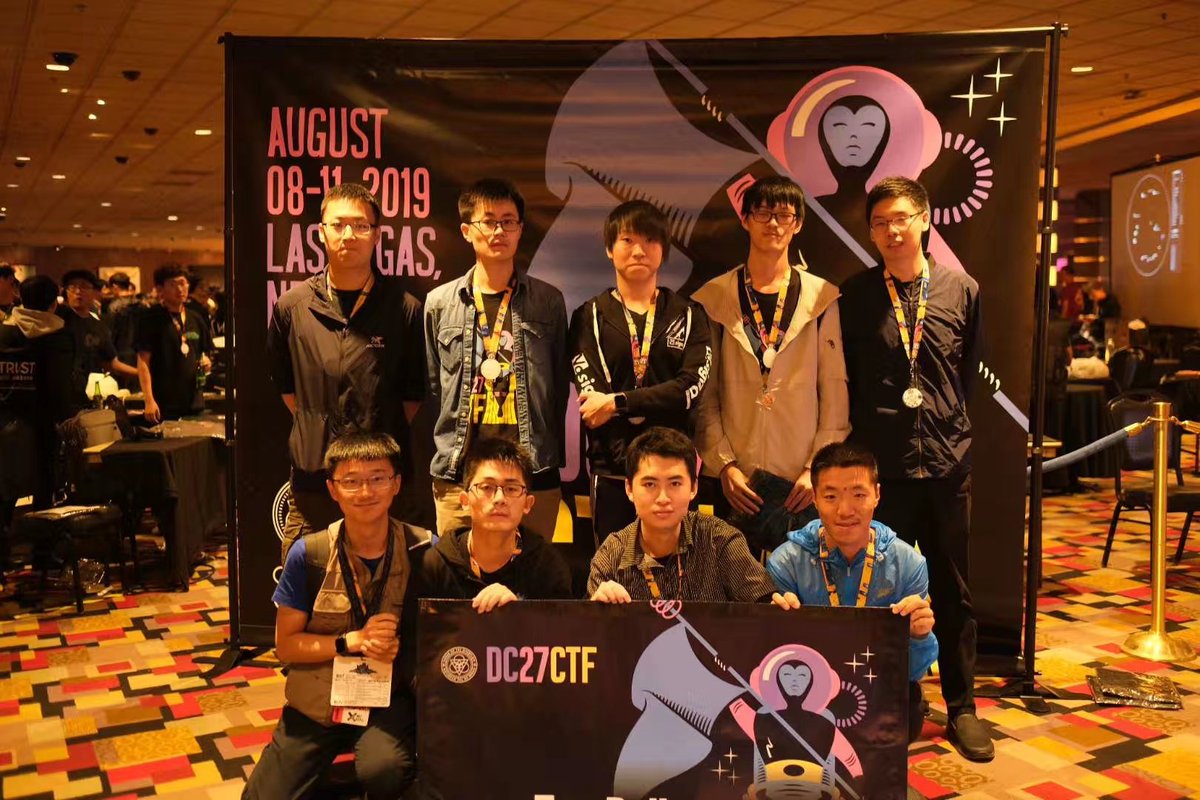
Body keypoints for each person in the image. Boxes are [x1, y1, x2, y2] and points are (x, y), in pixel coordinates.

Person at [838, 176, 990, 761]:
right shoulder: (855, 296)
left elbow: (968, 373)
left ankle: (963, 705)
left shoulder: (961, 289)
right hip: (885, 471)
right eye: (879, 223)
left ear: (925, 220)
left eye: (901, 218)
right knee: (882, 588)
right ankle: (896, 697)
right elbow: (849, 380)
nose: (891, 230)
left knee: (952, 591)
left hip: (947, 464)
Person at [243, 433, 430, 800]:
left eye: (378, 478)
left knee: (385, 770)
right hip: (318, 700)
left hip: (388, 701)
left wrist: (401, 646)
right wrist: (349, 642)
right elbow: (286, 647)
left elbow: (444, 634)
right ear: (332, 489)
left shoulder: (423, 549)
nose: (366, 491)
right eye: (351, 481)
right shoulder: (308, 554)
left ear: (396, 484)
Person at [267, 182, 426, 557]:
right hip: (314, 479)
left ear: (377, 235)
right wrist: (321, 424)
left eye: (361, 225)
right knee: (304, 582)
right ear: (321, 232)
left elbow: (413, 395)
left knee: (388, 583)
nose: (349, 234)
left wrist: (370, 429)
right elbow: (286, 389)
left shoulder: (404, 308)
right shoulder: (292, 307)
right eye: (338, 225)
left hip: (381, 481)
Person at [694, 175, 850, 557]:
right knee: (735, 584)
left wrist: (816, 468)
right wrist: (724, 465)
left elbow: (834, 390)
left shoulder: (820, 298)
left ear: (798, 224)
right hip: (737, 480)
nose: (774, 224)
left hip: (800, 481)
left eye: (784, 215)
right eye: (763, 213)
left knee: (799, 584)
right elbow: (705, 393)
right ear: (745, 219)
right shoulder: (716, 297)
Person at [425, 178, 568, 540]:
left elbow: (558, 387)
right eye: (488, 221)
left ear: (520, 229)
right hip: (459, 472)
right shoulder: (439, 303)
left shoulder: (548, 302)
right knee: (460, 570)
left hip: (533, 473)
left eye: (508, 221)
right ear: (466, 231)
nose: (499, 231)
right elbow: (433, 387)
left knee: (531, 571)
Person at [766, 441, 937, 743]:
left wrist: (920, 635)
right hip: (807, 687)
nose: (845, 511)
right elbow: (773, 661)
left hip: (878, 682)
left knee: (909, 708)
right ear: (814, 499)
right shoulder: (786, 562)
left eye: (858, 495)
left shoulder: (908, 563)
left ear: (877, 495)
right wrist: (775, 624)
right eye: (831, 496)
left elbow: (913, 672)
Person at [569, 200, 713, 541]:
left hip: (673, 473)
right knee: (614, 569)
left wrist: (618, 403)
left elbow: (687, 390)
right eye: (628, 240)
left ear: (663, 249)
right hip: (613, 471)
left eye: (650, 240)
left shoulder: (689, 314)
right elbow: (593, 405)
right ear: (610, 248)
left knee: (679, 568)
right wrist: (614, 408)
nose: (639, 250)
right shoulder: (588, 316)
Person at [588, 426, 799, 607]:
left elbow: (764, 605)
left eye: (675, 484)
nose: (663, 498)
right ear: (629, 489)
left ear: (693, 488)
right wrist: (597, 612)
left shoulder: (718, 540)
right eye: (650, 484)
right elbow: (587, 635)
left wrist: (778, 607)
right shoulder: (611, 556)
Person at [422, 438, 573, 609]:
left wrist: (517, 612)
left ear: (527, 504)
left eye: (511, 489)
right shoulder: (435, 564)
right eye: (487, 487)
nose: (499, 499)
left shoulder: (547, 567)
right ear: (465, 501)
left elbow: (562, 626)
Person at [0, 276, 78, 561]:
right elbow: (59, 387)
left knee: (4, 489)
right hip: (42, 426)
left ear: (21, 298)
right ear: (53, 303)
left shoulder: (3, 333)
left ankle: (3, 554)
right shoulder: (58, 337)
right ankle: (43, 552)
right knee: (45, 488)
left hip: (4, 422)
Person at [136, 264, 213, 423]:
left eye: (183, 283)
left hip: (194, 402)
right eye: (172, 284)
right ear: (160, 289)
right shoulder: (150, 318)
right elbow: (143, 362)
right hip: (163, 403)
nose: (179, 289)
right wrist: (149, 400)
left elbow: (204, 353)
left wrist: (206, 362)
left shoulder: (196, 318)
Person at [59, 269, 139, 399]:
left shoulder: (98, 324)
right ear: (65, 292)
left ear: (94, 292)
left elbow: (110, 362)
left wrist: (141, 373)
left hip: (89, 393)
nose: (78, 291)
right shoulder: (58, 320)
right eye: (72, 287)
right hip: (61, 391)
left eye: (84, 287)